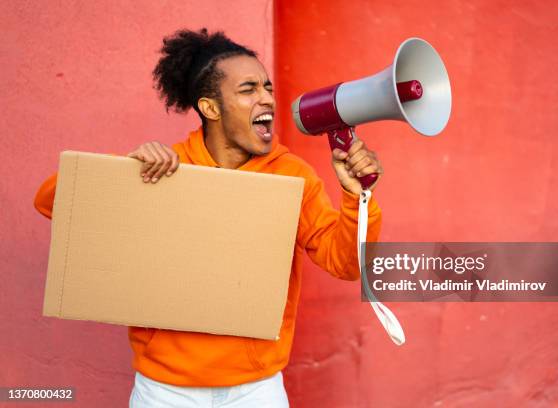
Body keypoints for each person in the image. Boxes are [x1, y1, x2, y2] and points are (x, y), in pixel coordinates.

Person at [33, 28, 383, 407]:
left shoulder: (292, 176)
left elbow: (347, 263)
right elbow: (51, 201)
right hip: (164, 391)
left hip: (258, 390)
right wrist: (125, 174)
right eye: (248, 89)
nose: (267, 98)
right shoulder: (166, 169)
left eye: (267, 87)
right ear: (211, 108)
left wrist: (357, 195)